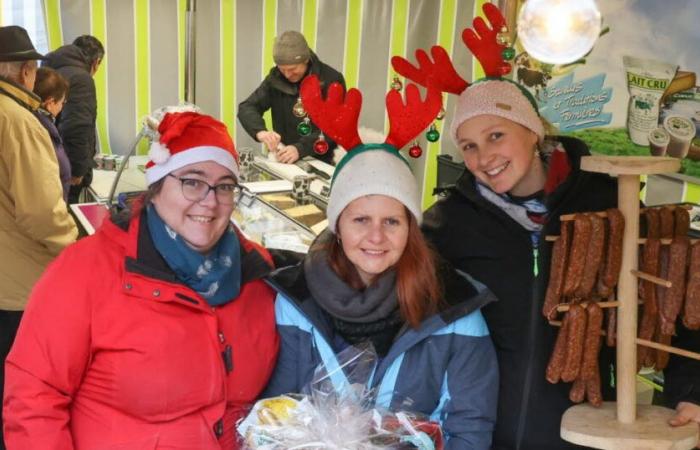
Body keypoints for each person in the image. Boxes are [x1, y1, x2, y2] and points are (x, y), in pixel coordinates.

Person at [421, 76, 700, 449]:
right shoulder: (449, 223)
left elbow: (678, 300)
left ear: (533, 131)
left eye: (496, 135)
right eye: (469, 146)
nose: (483, 158)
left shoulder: (611, 205)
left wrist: (691, 389)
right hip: (477, 431)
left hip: (582, 428)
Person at [3, 112, 280, 449]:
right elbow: (33, 399)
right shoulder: (84, 271)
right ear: (158, 186)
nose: (210, 200)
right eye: (192, 181)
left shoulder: (255, 272)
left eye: (224, 186)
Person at [263, 76, 498, 449]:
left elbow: (469, 425)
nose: (376, 237)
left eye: (392, 221)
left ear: (411, 228)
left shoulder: (455, 308)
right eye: (360, 220)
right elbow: (279, 410)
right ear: (338, 224)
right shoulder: (296, 301)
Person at [0, 25, 78, 450]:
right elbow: (39, 211)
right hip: (18, 284)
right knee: (20, 384)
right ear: (26, 71)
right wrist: (78, 250)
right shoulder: (18, 120)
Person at [238, 30, 344, 165]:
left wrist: (300, 149)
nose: (287, 75)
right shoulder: (275, 78)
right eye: (282, 69)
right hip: (285, 160)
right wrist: (261, 132)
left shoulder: (331, 80)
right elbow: (247, 107)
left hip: (323, 161)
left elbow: (335, 126)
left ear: (306, 60)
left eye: (293, 69)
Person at [44, 35, 104, 203]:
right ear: (96, 62)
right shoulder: (81, 79)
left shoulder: (50, 71)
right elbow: (76, 126)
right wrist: (77, 170)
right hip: (66, 167)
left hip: (49, 161)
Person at [33, 67, 71, 202]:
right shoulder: (41, 130)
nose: (61, 107)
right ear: (50, 103)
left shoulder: (35, 122)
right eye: (62, 102)